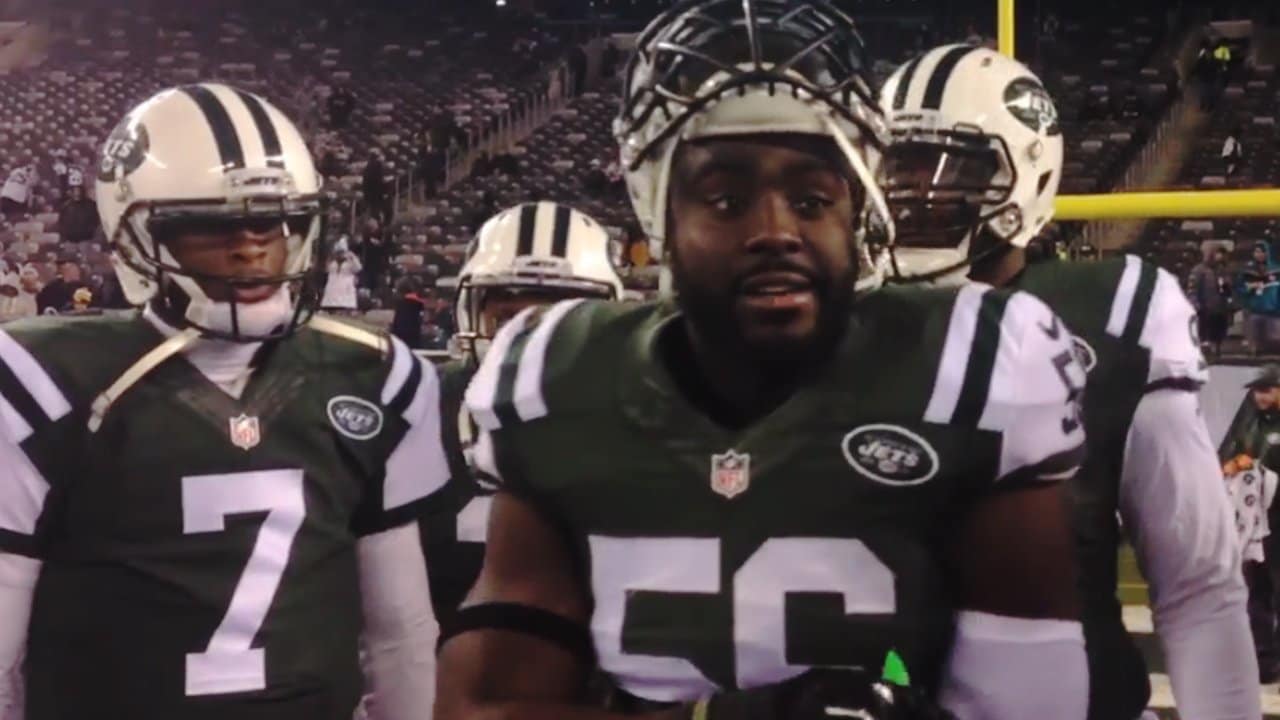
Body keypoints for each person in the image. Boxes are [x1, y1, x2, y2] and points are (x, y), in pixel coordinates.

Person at [436, 4, 1090, 720]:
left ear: (860, 209)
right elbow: (485, 706)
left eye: (812, 198)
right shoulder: (558, 377)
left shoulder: (972, 369)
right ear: (660, 215)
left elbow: (1031, 701)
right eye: (726, 200)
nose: (775, 231)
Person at [0, 83, 448, 720]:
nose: (249, 247)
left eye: (271, 222)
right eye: (209, 226)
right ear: (134, 237)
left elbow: (401, 631)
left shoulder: (375, 374)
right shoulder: (40, 380)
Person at [880, 46, 1258, 719]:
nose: (913, 195)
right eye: (895, 170)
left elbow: (1198, 583)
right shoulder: (838, 320)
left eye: (946, 173)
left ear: (1027, 175)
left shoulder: (1112, 315)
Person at [422, 200, 624, 632]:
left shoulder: (637, 414)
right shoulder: (421, 401)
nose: (530, 340)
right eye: (509, 318)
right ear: (470, 311)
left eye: (560, 320)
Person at [1220, 365, 1280, 682]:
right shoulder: (1248, 421)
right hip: (1255, 520)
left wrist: (1261, 466)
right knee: (1257, 590)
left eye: (1267, 389)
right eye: (1257, 389)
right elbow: (1227, 452)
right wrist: (1232, 464)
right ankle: (1264, 662)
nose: (1260, 395)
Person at [1188, 246, 1233, 358]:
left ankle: (1218, 351)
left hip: (1221, 308)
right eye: (1218, 253)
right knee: (1204, 334)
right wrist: (1196, 304)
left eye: (1222, 254)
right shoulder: (1199, 270)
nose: (1220, 257)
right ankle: (1205, 351)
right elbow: (1192, 289)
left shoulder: (1224, 271)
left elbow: (1228, 291)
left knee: (1219, 333)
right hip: (1204, 308)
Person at [1236, 240, 1280, 354]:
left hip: (1274, 313)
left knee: (1275, 343)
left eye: (1262, 252)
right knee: (1254, 346)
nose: (1259, 254)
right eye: (1257, 252)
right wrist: (1249, 287)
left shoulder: (1277, 270)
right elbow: (1239, 289)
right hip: (1254, 312)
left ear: (1267, 253)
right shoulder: (1247, 272)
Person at [321, 236, 363, 313]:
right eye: (338, 252)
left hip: (346, 288)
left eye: (342, 252)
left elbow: (358, 268)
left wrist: (352, 257)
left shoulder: (350, 261)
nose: (340, 254)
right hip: (332, 288)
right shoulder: (332, 261)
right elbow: (326, 270)